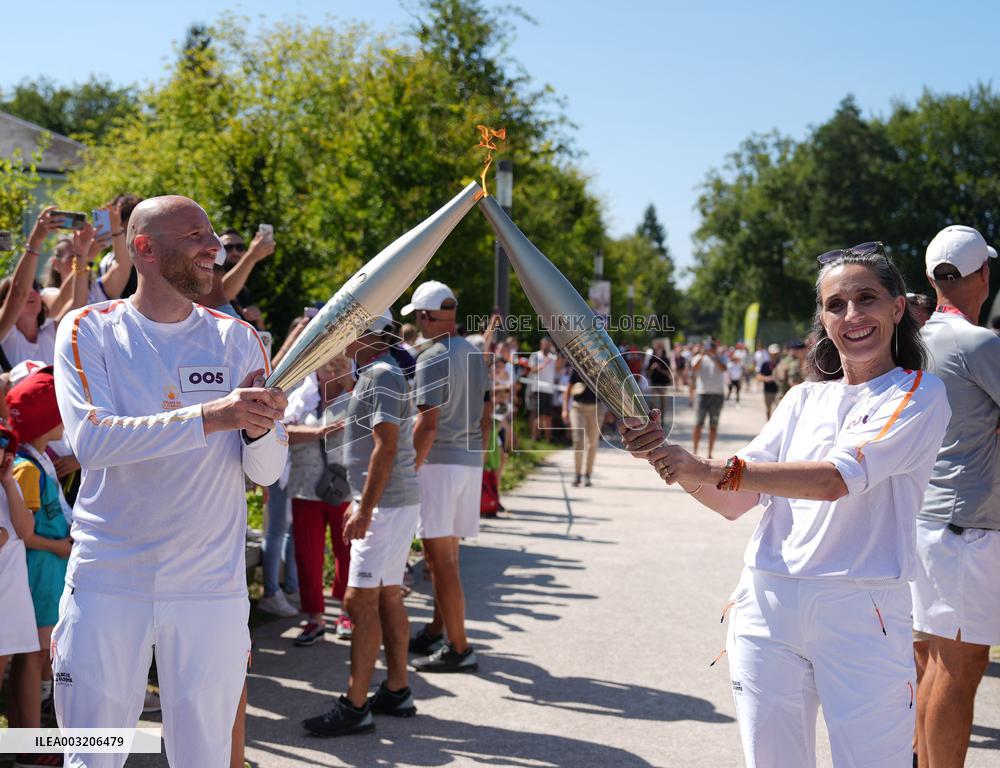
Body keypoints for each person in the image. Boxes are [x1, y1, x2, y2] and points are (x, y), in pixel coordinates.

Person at [620, 241, 950, 767]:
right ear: (822, 318)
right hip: (766, 606)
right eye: (835, 305)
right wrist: (672, 460)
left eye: (866, 298)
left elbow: (835, 480)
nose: (852, 315)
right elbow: (736, 501)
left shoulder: (918, 394)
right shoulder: (802, 399)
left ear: (897, 308)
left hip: (861, 610)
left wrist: (708, 468)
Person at [51, 195, 288, 768]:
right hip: (111, 580)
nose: (214, 247)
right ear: (144, 249)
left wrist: (259, 429)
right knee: (91, 756)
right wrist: (215, 415)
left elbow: (267, 469)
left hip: (210, 587)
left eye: (212, 234)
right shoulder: (89, 329)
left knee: (204, 757)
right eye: (194, 236)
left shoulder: (237, 339)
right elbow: (94, 441)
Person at [302, 311, 422, 736]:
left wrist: (365, 507)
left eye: (350, 333)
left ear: (371, 337)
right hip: (391, 502)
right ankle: (396, 689)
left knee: (358, 601)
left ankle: (355, 706)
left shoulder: (382, 375)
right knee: (387, 596)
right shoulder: (378, 372)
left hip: (384, 505)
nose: (344, 341)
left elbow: (385, 447)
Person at [909, 225, 1000, 768]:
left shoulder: (914, 341)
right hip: (968, 526)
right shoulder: (979, 343)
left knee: (929, 665)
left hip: (925, 518)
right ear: (982, 276)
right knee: (960, 670)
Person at [404, 280, 490, 673]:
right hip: (469, 461)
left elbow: (428, 424)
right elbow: (487, 416)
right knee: (448, 558)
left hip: (439, 464)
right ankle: (440, 630)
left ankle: (459, 647)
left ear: (425, 316)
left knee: (442, 564)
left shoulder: (431, 356)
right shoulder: (474, 353)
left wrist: (407, 470)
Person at [284, 355, 354, 644]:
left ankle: (346, 612)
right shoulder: (301, 400)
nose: (331, 370)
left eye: (338, 365)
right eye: (326, 365)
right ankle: (314, 617)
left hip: (344, 489)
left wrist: (350, 384)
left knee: (346, 552)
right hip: (304, 489)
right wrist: (318, 432)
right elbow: (282, 432)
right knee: (308, 556)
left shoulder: (355, 398)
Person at [0, 208, 85, 370]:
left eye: (35, 287)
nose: (31, 292)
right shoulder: (6, 334)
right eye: (27, 287)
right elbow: (19, 294)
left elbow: (78, 303)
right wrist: (36, 240)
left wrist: (82, 255)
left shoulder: (50, 332)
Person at [561, 365, 600, 487]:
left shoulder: (600, 370)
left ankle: (587, 474)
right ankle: (577, 474)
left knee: (592, 443)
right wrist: (565, 410)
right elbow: (568, 390)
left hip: (595, 409)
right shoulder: (577, 369)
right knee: (578, 441)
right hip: (578, 408)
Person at [690, 339, 727, 458]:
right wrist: (702, 355)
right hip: (703, 393)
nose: (710, 349)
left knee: (713, 425)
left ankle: (710, 453)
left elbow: (723, 368)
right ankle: (695, 451)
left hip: (717, 394)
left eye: (712, 347)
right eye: (708, 347)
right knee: (698, 424)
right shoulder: (698, 358)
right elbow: (694, 368)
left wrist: (714, 356)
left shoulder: (721, 358)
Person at [526, 336, 557, 441]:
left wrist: (554, 354)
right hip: (538, 388)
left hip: (549, 390)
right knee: (537, 414)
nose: (546, 346)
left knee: (548, 415)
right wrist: (544, 364)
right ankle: (535, 437)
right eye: (545, 344)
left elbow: (559, 368)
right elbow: (532, 370)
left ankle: (548, 439)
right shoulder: (535, 355)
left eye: (548, 344)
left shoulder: (553, 357)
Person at [757, 344, 781, 419]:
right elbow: (758, 377)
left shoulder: (782, 363)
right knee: (768, 409)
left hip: (779, 391)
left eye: (776, 354)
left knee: (779, 410)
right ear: (769, 354)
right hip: (768, 391)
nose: (774, 355)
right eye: (773, 354)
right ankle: (769, 423)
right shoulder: (766, 364)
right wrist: (766, 378)